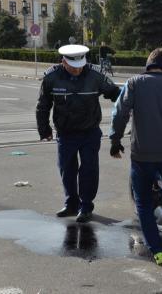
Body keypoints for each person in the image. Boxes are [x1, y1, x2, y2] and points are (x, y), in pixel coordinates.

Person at [109, 48, 162, 266]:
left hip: (143, 156)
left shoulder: (135, 83)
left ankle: (158, 251)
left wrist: (115, 141)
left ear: (148, 63)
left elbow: (120, 113)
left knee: (143, 203)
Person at [36, 44, 120, 223]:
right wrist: (44, 130)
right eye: (73, 67)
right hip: (65, 133)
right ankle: (71, 203)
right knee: (66, 169)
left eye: (80, 65)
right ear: (63, 62)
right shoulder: (52, 78)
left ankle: (86, 206)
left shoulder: (95, 75)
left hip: (90, 132)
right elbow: (43, 106)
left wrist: (131, 105)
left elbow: (115, 94)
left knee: (89, 169)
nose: (77, 70)